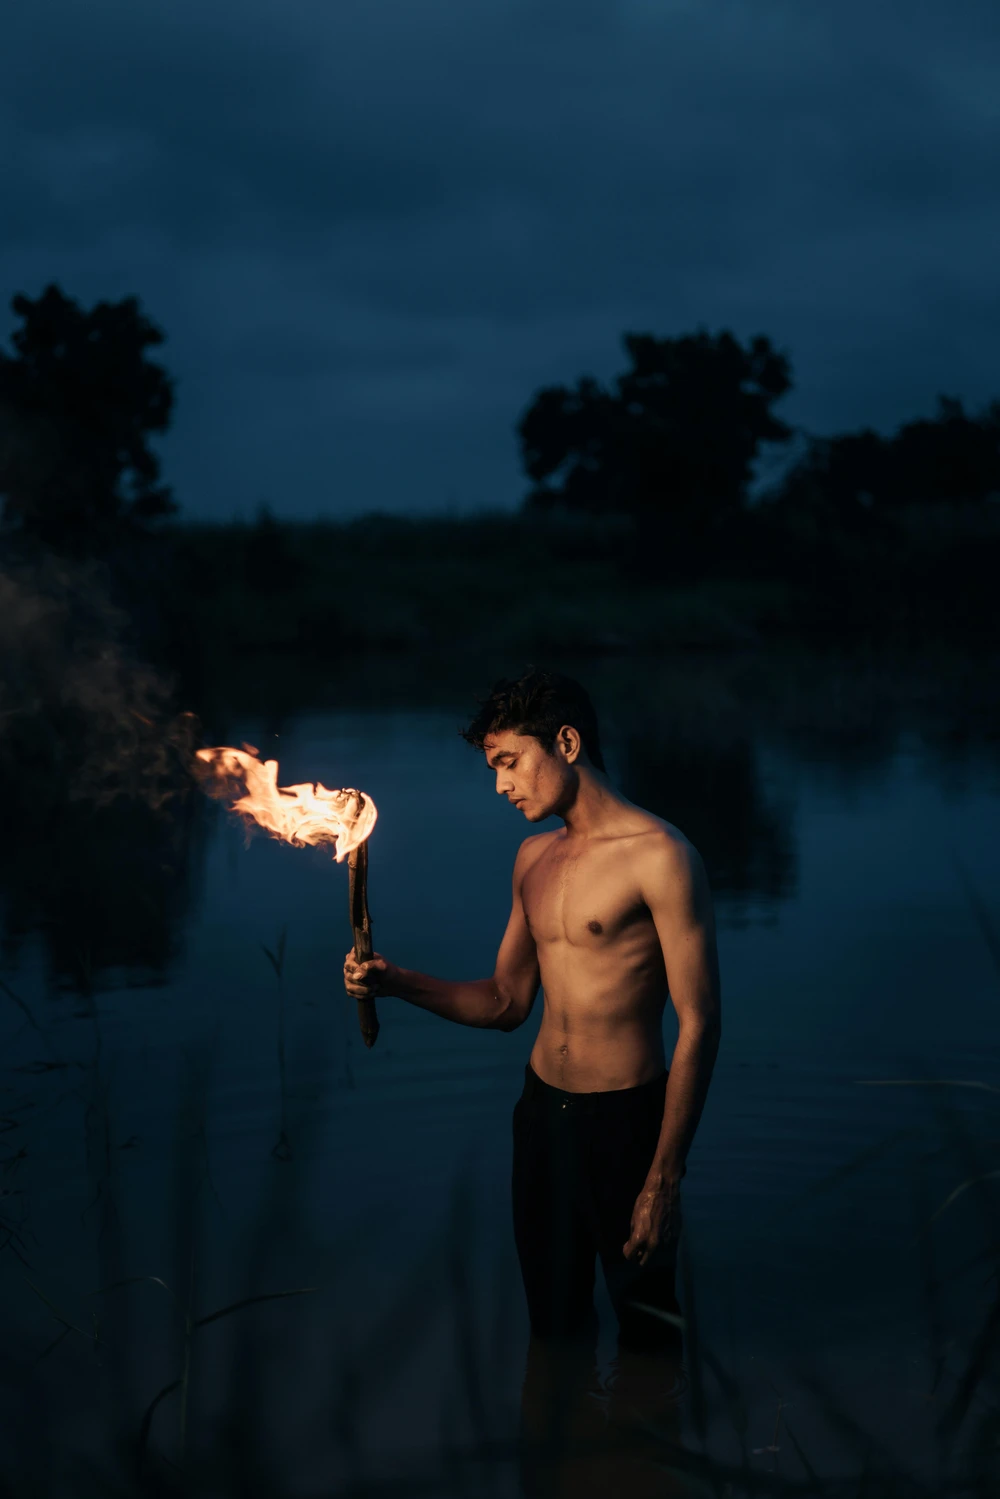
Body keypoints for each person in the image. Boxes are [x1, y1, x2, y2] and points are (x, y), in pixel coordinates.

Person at [343, 668, 721, 1434]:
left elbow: (701, 1020)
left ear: (567, 743)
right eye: (493, 769)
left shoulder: (662, 856)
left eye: (507, 762)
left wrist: (664, 1175)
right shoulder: (533, 861)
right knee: (553, 1332)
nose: (499, 786)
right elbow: (507, 1004)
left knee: (649, 1336)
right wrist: (396, 982)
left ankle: (648, 1472)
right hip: (541, 1118)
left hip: (626, 1125)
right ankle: (560, 1468)